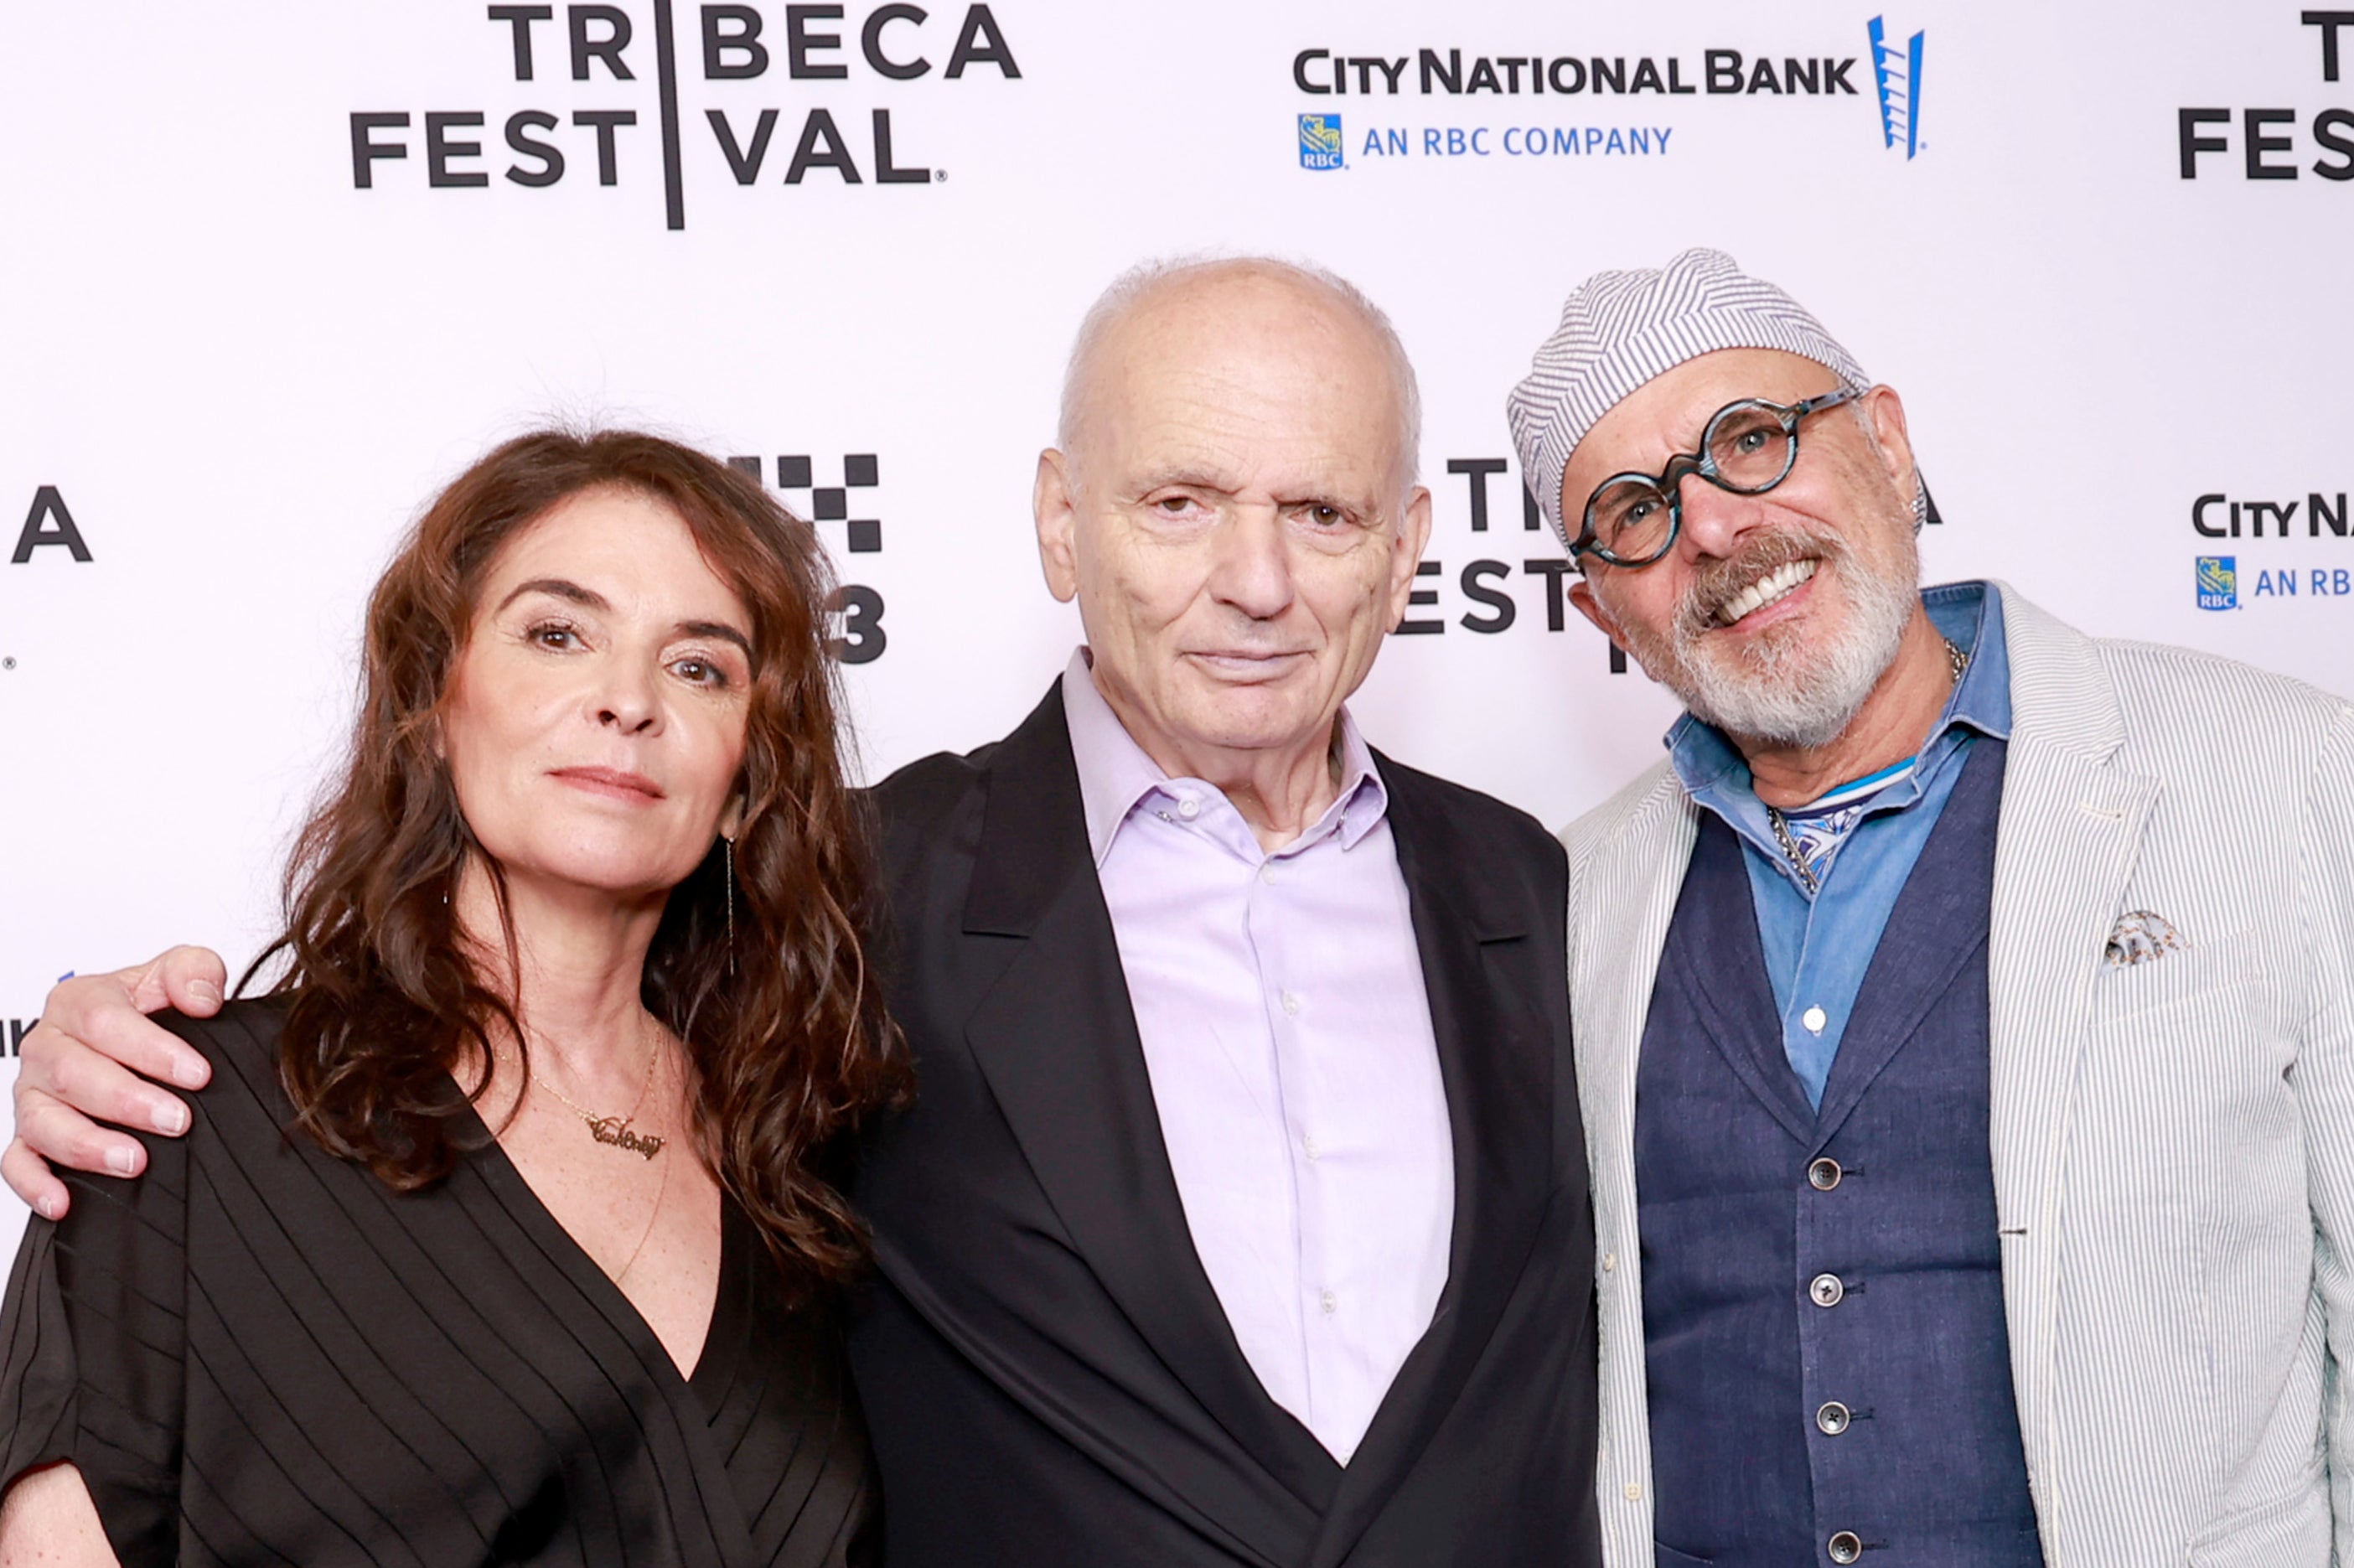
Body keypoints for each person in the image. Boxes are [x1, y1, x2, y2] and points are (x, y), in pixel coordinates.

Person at [3, 258, 1605, 1565]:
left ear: (1406, 546)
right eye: (1178, 501)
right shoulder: (871, 901)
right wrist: (100, 1045)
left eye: (1321, 515)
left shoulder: (1543, 890)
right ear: (1063, 521)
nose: (1254, 578)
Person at [1505, 247, 2354, 1566]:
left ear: (1889, 448)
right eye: (1633, 511)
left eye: (1750, 438)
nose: (1718, 529)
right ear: (1600, 606)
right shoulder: (1565, 900)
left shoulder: (2277, 774)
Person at [0, 431, 904, 1565]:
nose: (625, 699)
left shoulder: (801, 1173)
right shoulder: (183, 1112)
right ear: (437, 699)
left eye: (698, 666)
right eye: (556, 634)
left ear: (744, 782)